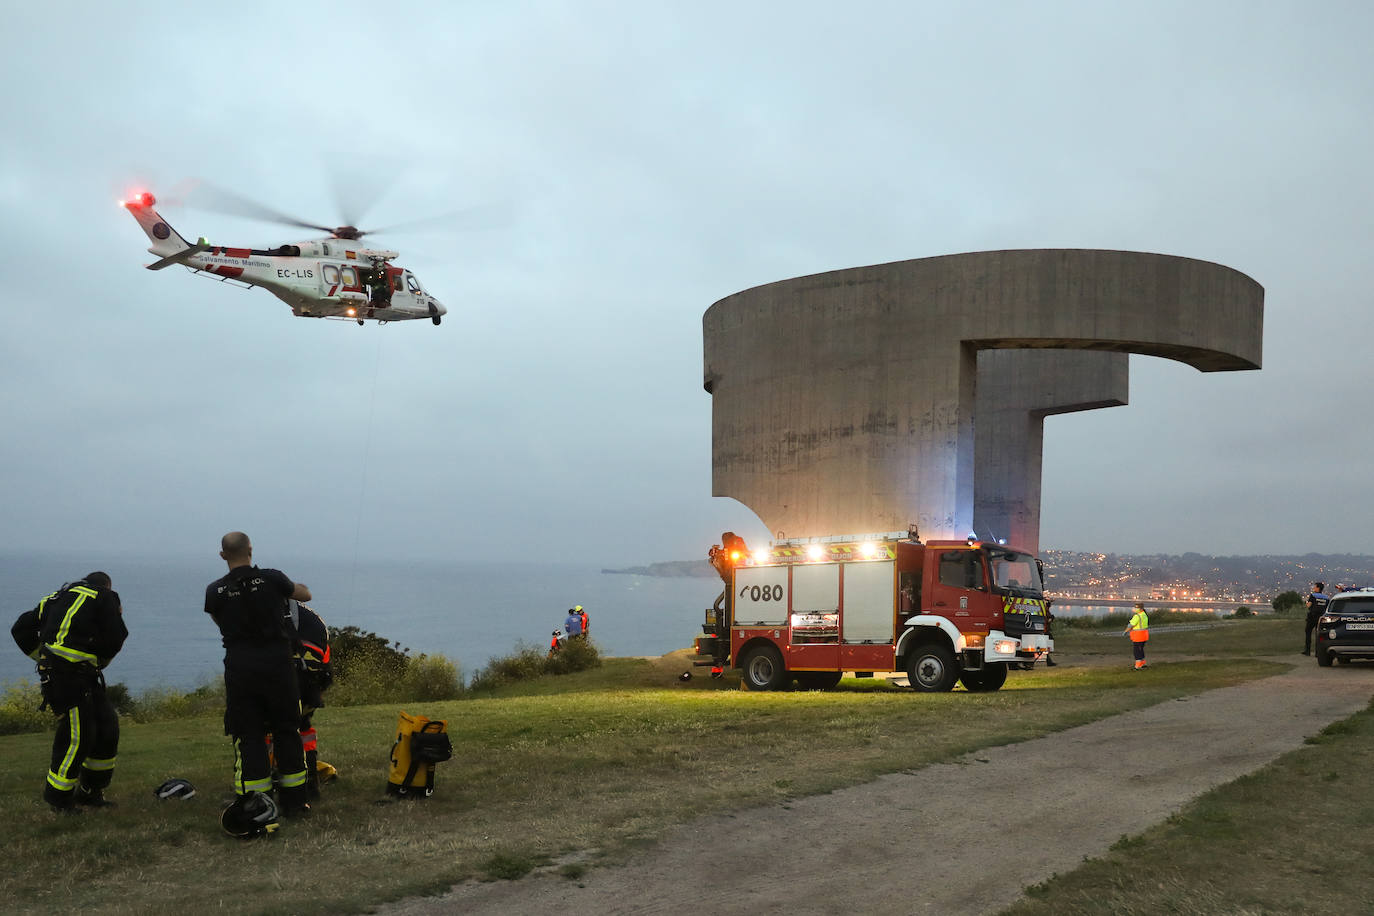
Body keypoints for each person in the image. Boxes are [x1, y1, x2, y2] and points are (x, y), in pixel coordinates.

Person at [204, 532, 313, 833]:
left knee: (248, 734)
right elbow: (304, 595)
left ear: (223, 555)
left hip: (240, 666)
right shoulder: (273, 579)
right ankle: (295, 802)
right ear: (251, 550)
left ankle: (256, 803)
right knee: (287, 729)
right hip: (277, 664)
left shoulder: (214, 591)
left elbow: (221, 623)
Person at [11, 572, 128, 813]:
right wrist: (99, 658)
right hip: (69, 678)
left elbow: (21, 628)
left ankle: (91, 792)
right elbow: (117, 637)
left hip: (70, 675)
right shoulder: (105, 596)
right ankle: (59, 800)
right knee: (78, 735)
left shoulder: (57, 597)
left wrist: (43, 657)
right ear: (106, 586)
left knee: (106, 725)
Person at [288, 600, 334, 799]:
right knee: (304, 729)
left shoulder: (266, 611)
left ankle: (272, 778)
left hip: (283, 683)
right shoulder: (314, 619)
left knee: (271, 730)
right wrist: (318, 691)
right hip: (311, 685)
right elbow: (325, 662)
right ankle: (311, 783)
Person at [1303, 581, 1330, 656]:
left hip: (1312, 616)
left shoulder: (1313, 596)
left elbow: (1308, 605)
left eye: (1315, 587)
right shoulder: (1326, 597)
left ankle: (1307, 651)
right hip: (1321, 617)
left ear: (1318, 588)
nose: (1313, 588)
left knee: (1308, 632)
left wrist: (1306, 602)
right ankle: (1318, 652)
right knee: (1318, 635)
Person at [1124, 603, 1149, 670]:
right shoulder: (1144, 615)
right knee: (1141, 650)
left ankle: (1137, 666)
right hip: (1144, 635)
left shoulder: (1137, 616)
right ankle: (1143, 664)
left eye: (1136, 608)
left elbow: (1131, 625)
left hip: (1138, 636)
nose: (1135, 609)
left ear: (1140, 609)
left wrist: (1126, 631)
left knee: (1137, 651)